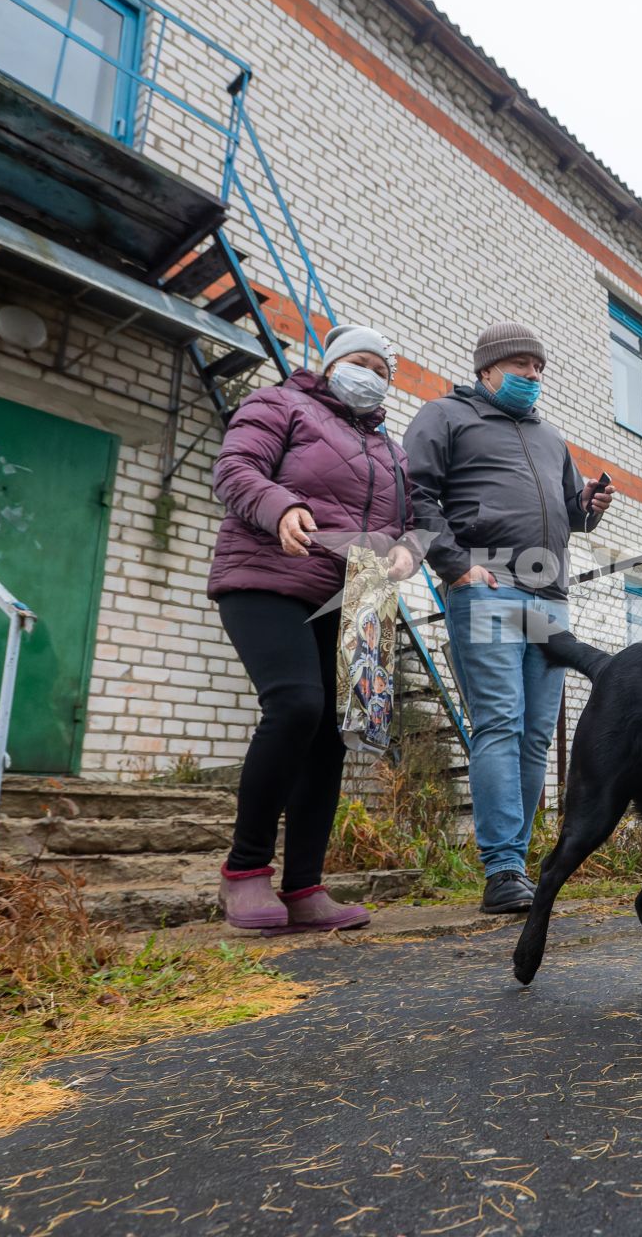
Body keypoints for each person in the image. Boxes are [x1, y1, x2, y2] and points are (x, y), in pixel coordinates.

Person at [207, 324, 420, 933]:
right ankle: (245, 872)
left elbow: (411, 521)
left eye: (381, 370)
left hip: (350, 601)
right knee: (296, 705)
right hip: (266, 578)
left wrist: (409, 551)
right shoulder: (278, 403)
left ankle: (304, 886)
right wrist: (281, 506)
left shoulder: (391, 452)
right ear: (328, 365)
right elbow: (236, 468)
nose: (369, 376)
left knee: (332, 733)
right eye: (357, 362)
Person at [404, 321, 616, 913]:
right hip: (488, 588)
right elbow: (414, 493)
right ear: (487, 369)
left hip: (549, 596)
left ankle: (518, 867)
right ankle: (501, 869)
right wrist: (454, 565)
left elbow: (571, 516)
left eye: (538, 367)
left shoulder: (551, 437)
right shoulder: (444, 416)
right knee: (499, 721)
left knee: (535, 737)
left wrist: (587, 507)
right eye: (521, 365)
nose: (532, 376)